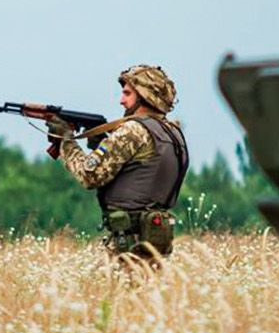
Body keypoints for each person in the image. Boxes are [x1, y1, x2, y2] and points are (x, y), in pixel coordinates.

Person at [47, 64, 189, 265]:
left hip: (127, 246)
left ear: (145, 95)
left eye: (128, 93)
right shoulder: (172, 132)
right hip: (154, 242)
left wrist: (65, 141)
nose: (121, 100)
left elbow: (89, 175)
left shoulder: (133, 130)